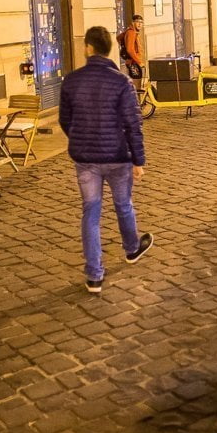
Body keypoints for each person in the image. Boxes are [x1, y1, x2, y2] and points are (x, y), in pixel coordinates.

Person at [60, 26, 154, 293]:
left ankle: (94, 275)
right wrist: (138, 160)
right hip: (117, 155)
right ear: (109, 49)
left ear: (88, 48)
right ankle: (132, 248)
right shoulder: (122, 82)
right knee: (123, 204)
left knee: (90, 212)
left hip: (86, 159)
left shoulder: (72, 80)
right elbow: (133, 124)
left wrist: (80, 138)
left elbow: (65, 120)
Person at [118, 14, 145, 91]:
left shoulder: (131, 32)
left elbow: (118, 37)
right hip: (133, 62)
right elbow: (130, 49)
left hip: (132, 62)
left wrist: (123, 44)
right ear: (133, 23)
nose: (139, 24)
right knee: (136, 87)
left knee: (135, 85)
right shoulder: (131, 33)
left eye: (141, 22)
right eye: (137, 22)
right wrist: (139, 62)